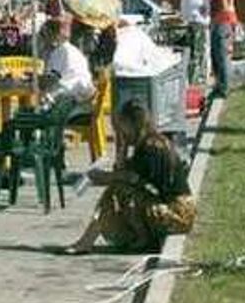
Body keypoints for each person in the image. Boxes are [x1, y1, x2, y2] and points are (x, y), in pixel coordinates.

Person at [69, 100, 195, 253]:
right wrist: (122, 148)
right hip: (174, 210)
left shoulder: (150, 147)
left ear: (132, 124)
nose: (120, 130)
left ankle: (87, 241)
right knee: (121, 189)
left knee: (117, 190)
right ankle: (135, 238)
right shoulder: (150, 141)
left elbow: (128, 177)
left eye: (123, 126)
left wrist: (102, 176)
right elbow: (125, 172)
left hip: (178, 213)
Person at [205, 0, 238, 100]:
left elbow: (224, 5)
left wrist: (214, 11)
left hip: (222, 22)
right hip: (221, 22)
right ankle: (220, 85)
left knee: (221, 56)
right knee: (217, 55)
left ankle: (224, 88)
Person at [43, 16, 95, 102]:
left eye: (46, 34)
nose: (45, 38)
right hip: (83, 91)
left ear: (53, 34)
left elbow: (52, 78)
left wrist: (34, 80)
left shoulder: (60, 51)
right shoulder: (73, 50)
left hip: (69, 92)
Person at [179, 0, 209, 84]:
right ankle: (193, 77)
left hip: (199, 19)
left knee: (198, 49)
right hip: (189, 19)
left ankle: (200, 78)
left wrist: (205, 8)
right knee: (191, 49)